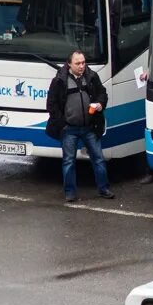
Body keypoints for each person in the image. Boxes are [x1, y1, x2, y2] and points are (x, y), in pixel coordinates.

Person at [46, 50, 116, 202]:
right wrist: (63, 124)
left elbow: (102, 94)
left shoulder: (91, 77)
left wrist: (100, 104)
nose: (81, 66)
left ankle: (103, 189)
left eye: (83, 62)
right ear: (69, 64)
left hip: (90, 127)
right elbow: (51, 105)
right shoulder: (59, 80)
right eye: (78, 63)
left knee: (98, 159)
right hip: (69, 129)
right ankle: (70, 192)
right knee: (69, 161)